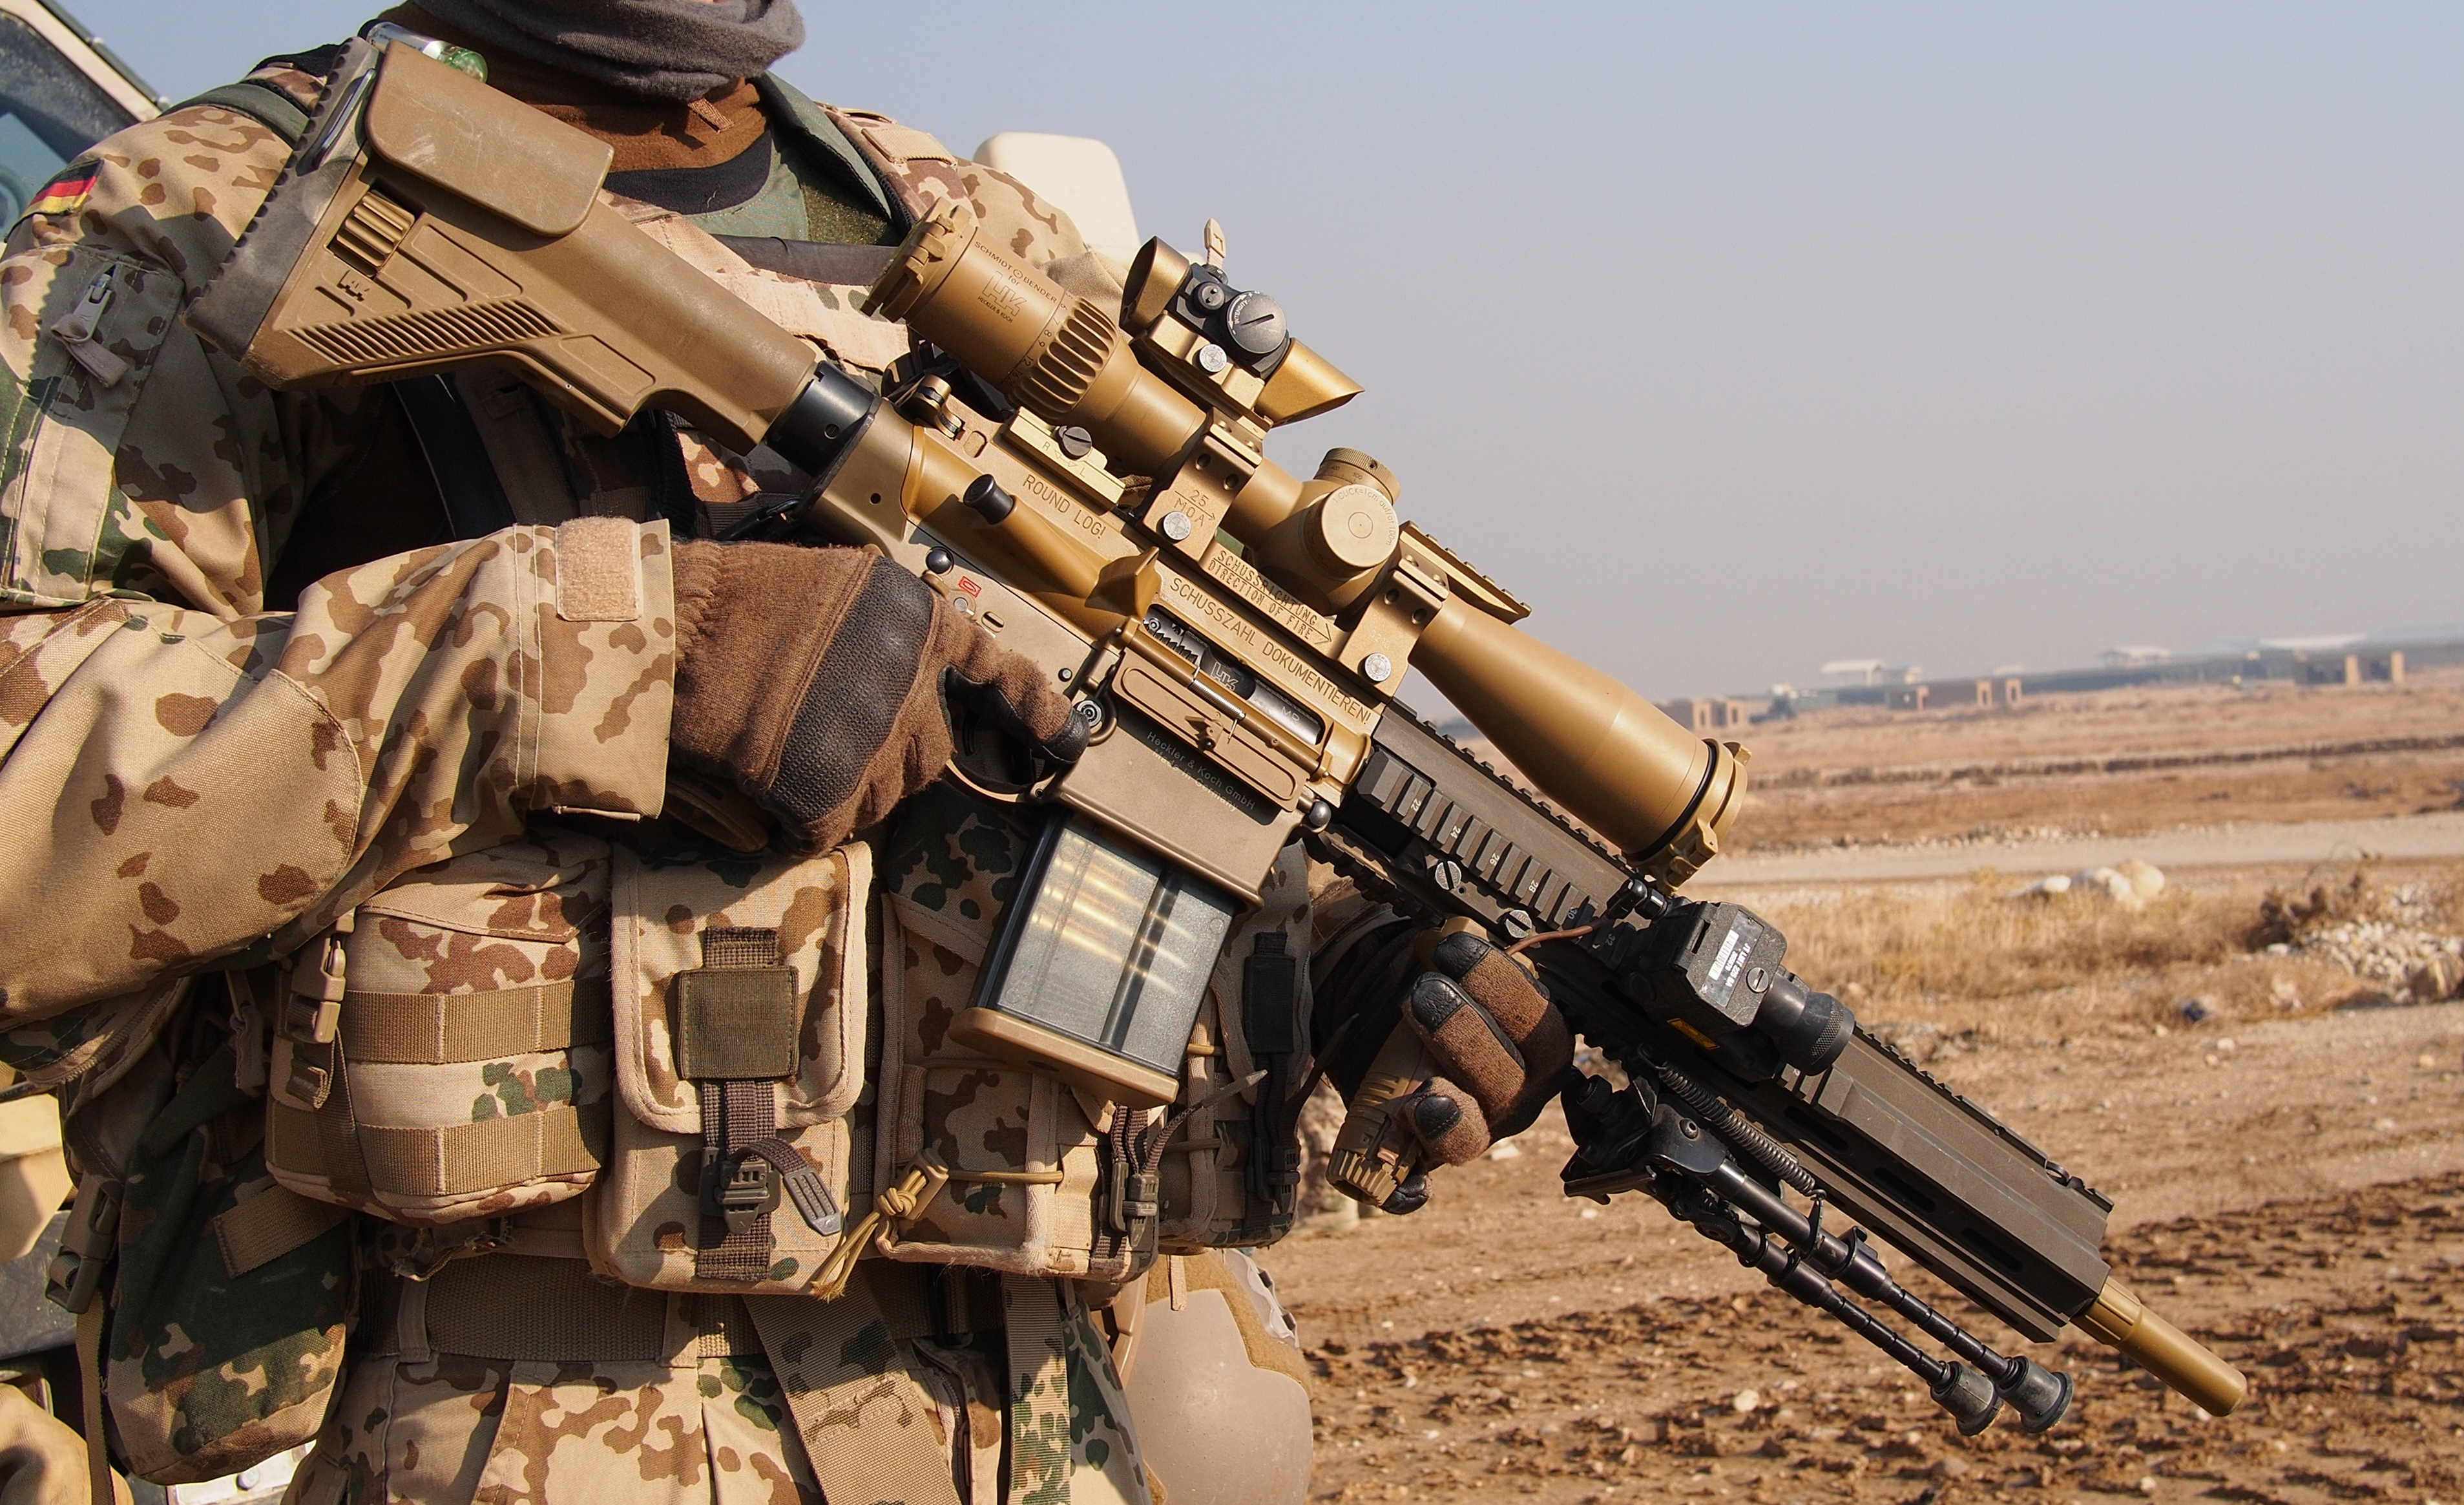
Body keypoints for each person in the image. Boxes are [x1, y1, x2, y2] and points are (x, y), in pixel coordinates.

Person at [0, 3, 1573, 1502]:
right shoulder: (212, 217)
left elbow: (1110, 737)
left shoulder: (972, 240)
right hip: (507, 1413)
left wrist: (1352, 956)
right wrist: (596, 648)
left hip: (1022, 1426)